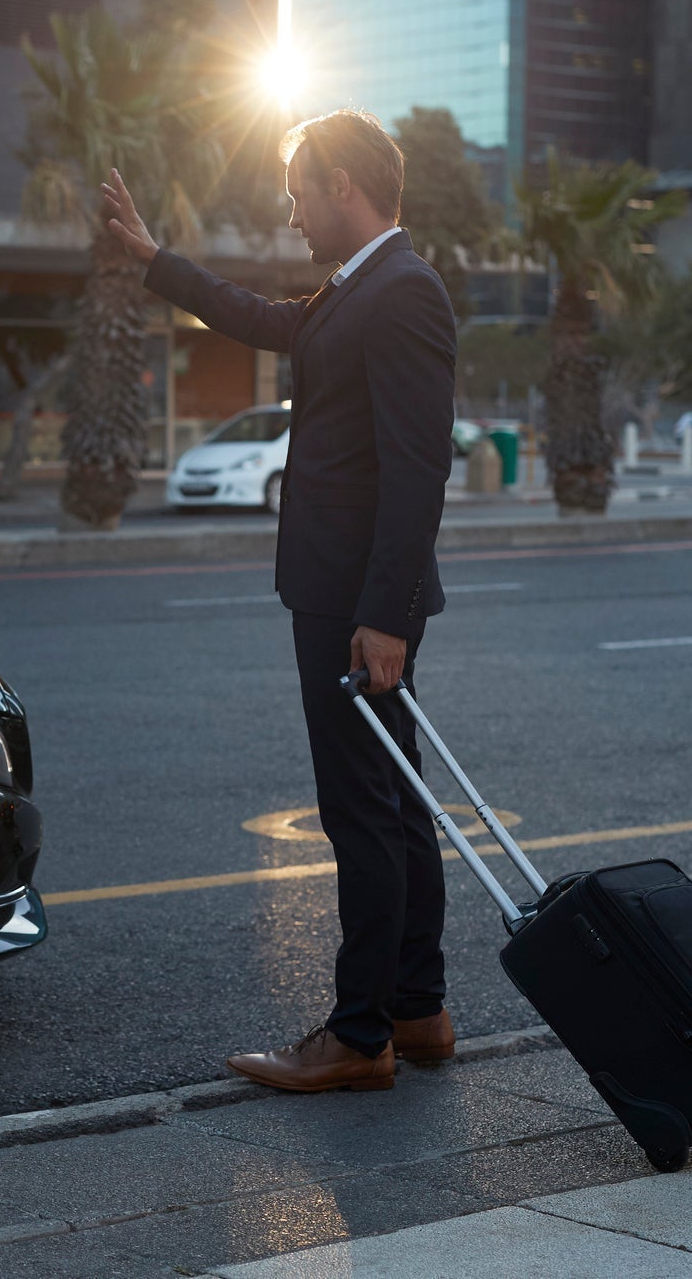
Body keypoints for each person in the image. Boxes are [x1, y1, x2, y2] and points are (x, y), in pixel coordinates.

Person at [99, 109, 457, 1094]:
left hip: (356, 602)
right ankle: (418, 1007)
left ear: (344, 185)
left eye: (301, 191)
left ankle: (358, 1033)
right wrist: (155, 260)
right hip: (346, 591)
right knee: (400, 800)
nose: (293, 211)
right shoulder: (359, 289)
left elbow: (419, 465)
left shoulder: (402, 292)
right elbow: (263, 318)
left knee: (363, 812)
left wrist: (384, 614)